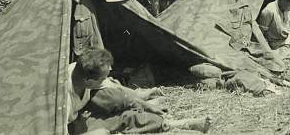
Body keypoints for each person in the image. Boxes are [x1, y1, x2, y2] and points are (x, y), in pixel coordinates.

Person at [67, 48, 211, 135]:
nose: (107, 78)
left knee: (119, 105)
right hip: (70, 126)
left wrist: (147, 105)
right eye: (103, 77)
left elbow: (116, 89)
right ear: (89, 81)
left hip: (82, 111)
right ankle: (177, 125)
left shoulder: (79, 68)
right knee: (113, 124)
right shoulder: (62, 102)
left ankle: (174, 123)